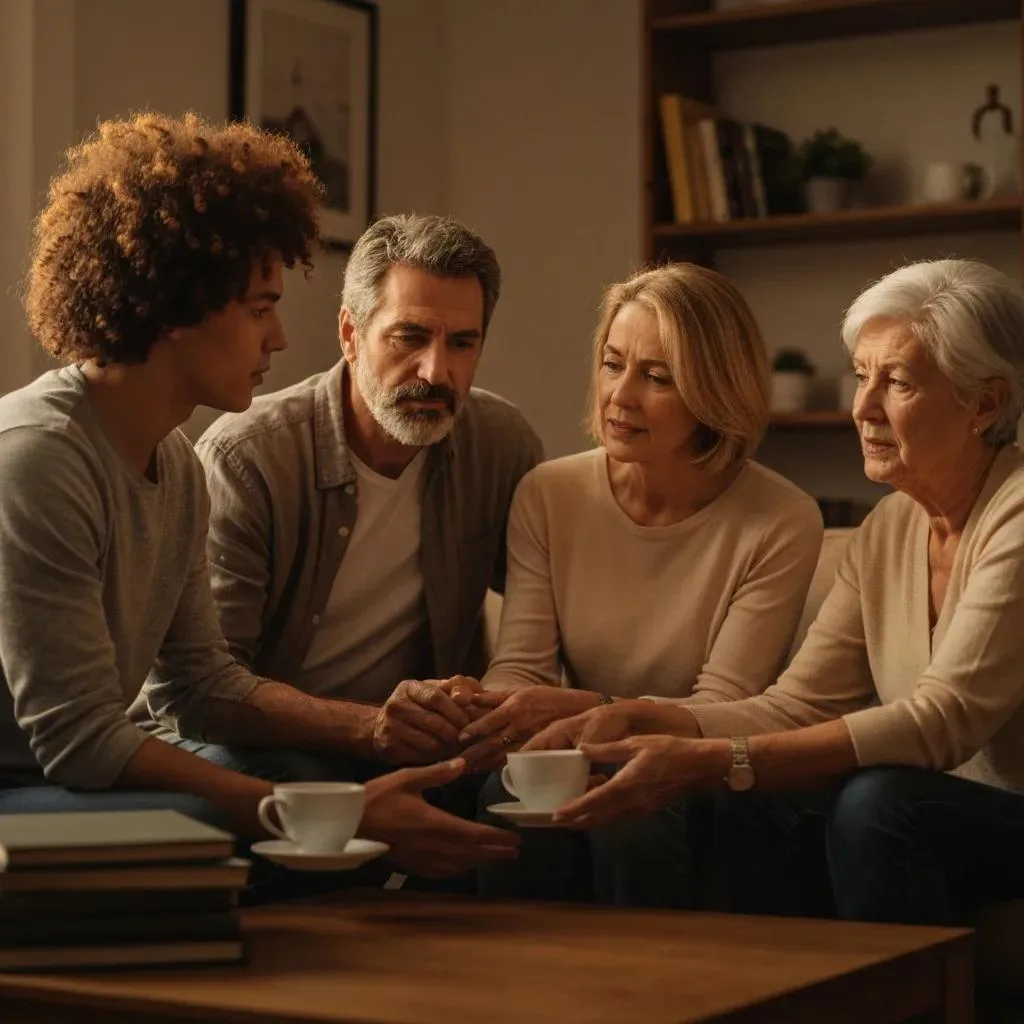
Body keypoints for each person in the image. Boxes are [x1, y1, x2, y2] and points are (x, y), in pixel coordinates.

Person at [0, 113, 518, 884]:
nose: (277, 338)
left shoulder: (172, 462)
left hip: (66, 781)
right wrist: (302, 811)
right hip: (28, 786)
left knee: (309, 792)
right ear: (177, 307)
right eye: (258, 308)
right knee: (224, 815)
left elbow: (200, 679)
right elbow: (79, 739)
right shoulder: (38, 456)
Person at [525, 258, 1024, 927]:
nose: (862, 407)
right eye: (861, 375)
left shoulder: (1016, 514)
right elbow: (798, 705)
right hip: (941, 807)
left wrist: (720, 757)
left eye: (897, 382)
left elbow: (943, 720)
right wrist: (639, 718)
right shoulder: (889, 528)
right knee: (747, 798)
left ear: (985, 403)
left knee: (875, 804)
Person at [135, 213, 541, 864]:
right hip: (253, 741)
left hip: (416, 744)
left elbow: (543, 614)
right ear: (351, 335)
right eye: (409, 337)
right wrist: (369, 728)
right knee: (304, 783)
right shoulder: (248, 460)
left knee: (522, 790)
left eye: (463, 343)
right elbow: (194, 692)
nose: (436, 371)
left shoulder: (500, 444)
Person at [463, 262, 823, 907]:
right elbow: (519, 668)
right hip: (588, 750)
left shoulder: (782, 519)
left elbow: (722, 705)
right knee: (506, 791)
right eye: (611, 363)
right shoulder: (549, 493)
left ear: (714, 393)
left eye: (656, 377)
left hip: (700, 771)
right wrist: (498, 711)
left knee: (635, 811)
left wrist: (590, 710)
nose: (620, 396)